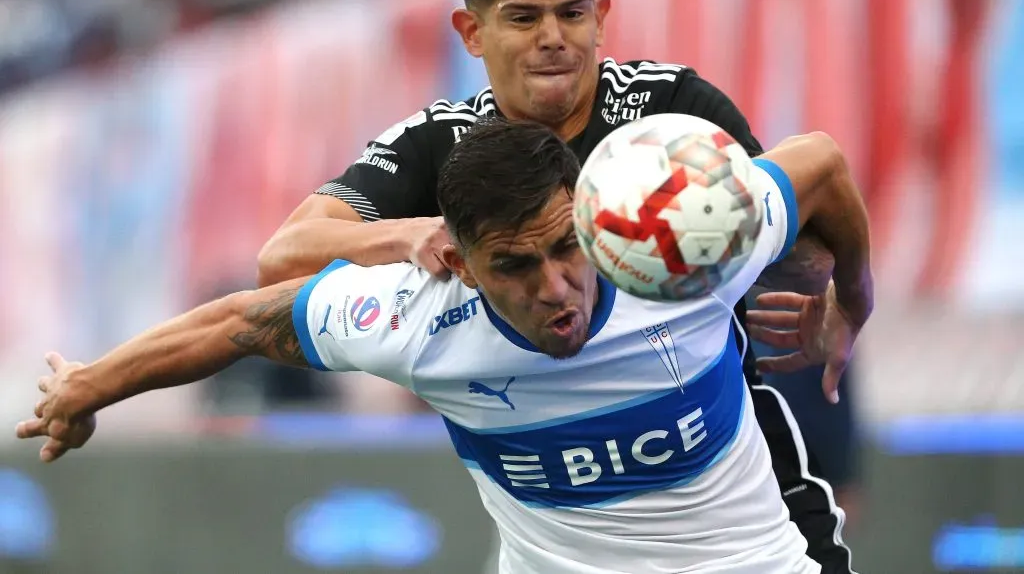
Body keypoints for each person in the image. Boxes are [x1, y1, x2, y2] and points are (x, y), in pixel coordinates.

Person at [257, 0, 855, 572]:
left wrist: (836, 297)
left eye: (571, 14)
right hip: (564, 512)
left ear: (599, 17)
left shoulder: (672, 115)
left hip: (727, 490)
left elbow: (792, 220)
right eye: (522, 18)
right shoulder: (438, 144)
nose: (553, 39)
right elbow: (284, 254)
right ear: (471, 31)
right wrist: (408, 233)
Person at [17, 118, 873, 573]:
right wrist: (90, 384)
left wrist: (850, 305)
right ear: (459, 265)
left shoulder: (678, 253)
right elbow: (240, 320)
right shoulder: (416, 317)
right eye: (513, 265)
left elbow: (825, 164)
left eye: (565, 246)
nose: (553, 286)